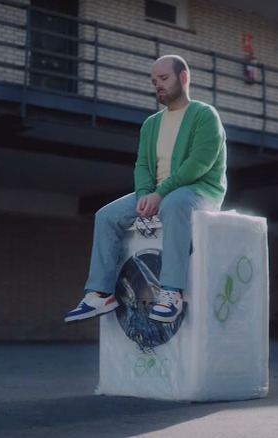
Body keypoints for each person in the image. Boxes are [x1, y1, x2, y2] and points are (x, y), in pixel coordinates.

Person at [64, 54, 227, 324]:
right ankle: (100, 293)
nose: (157, 86)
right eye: (153, 81)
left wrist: (160, 195)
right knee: (106, 216)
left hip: (198, 190)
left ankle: (172, 291)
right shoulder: (151, 124)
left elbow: (198, 164)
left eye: (163, 78)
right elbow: (141, 166)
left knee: (174, 204)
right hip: (158, 192)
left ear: (183, 78)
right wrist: (143, 197)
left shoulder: (204, 114)